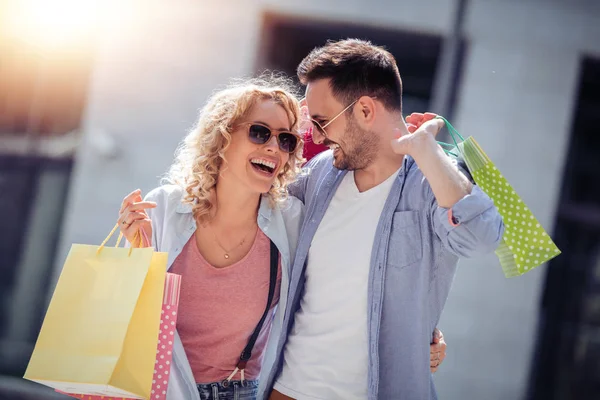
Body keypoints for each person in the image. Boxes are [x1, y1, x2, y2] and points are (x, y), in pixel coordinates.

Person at [263, 39, 505, 400]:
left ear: (364, 110)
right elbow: (256, 210)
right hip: (287, 391)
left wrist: (429, 152)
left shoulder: (430, 182)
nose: (314, 134)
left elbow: (483, 236)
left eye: (321, 120)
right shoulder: (319, 174)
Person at [118, 76, 305, 400]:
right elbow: (126, 308)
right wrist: (134, 250)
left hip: (240, 392)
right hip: (151, 388)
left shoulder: (291, 221)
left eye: (286, 139)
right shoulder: (163, 207)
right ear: (222, 135)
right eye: (259, 132)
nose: (274, 148)